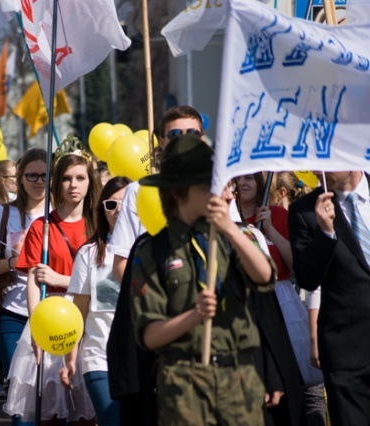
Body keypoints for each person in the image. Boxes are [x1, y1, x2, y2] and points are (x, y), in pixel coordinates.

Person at [129, 134, 276, 425]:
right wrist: (194, 315)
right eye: (210, 186)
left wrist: (231, 231)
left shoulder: (236, 236)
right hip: (184, 381)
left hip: (239, 378)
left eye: (225, 184)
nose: (227, 195)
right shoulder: (153, 250)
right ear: (179, 191)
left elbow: (265, 274)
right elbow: (150, 334)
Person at [106, 105, 205, 425]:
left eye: (193, 133)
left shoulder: (218, 185)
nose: (184, 139)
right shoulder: (140, 190)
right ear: (160, 142)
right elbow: (121, 264)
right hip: (157, 332)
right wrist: (157, 301)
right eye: (175, 134)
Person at [4, 135, 100, 425]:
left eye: (81, 178)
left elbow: (103, 279)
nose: (74, 185)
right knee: (50, 411)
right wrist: (36, 326)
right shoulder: (42, 227)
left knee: (88, 411)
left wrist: (62, 277)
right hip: (52, 319)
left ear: (89, 182)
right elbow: (34, 279)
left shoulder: (100, 225)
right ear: (57, 182)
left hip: (90, 317)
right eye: (67, 178)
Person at [235, 172, 317, 425]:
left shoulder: (279, 215)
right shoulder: (227, 219)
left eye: (250, 178)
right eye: (239, 178)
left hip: (280, 297)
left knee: (290, 373)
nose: (244, 183)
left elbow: (295, 264)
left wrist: (269, 228)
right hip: (242, 302)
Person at [0, 148, 47, 426]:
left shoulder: (60, 212)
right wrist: (12, 263)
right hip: (13, 314)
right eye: (32, 175)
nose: (39, 181)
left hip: (57, 315)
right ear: (19, 177)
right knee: (22, 390)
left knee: (53, 394)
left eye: (44, 175)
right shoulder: (5, 214)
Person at [289, 171, 370, 425]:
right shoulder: (305, 211)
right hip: (347, 354)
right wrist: (325, 235)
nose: (315, 170)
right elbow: (307, 278)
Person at [59, 176, 130, 426]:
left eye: (125, 203)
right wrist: (69, 359)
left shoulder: (147, 249)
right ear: (102, 210)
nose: (118, 210)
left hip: (137, 359)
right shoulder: (89, 254)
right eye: (111, 204)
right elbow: (78, 311)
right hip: (99, 356)